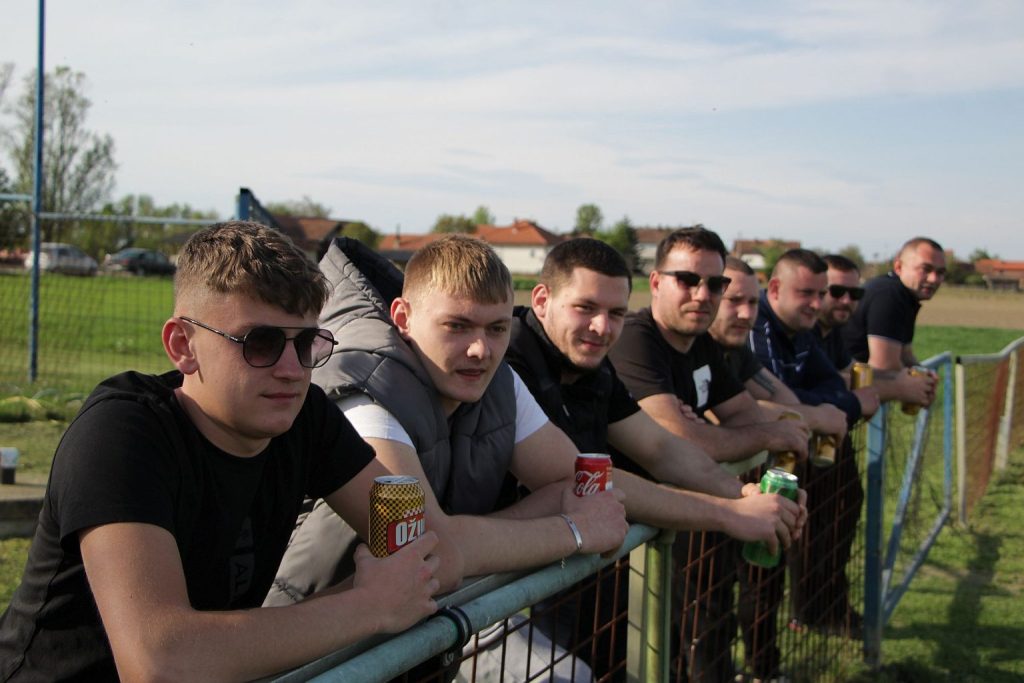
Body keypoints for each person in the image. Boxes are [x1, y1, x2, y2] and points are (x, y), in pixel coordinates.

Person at [271, 235, 805, 677]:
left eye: (497, 328)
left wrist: (733, 507)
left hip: (419, 627)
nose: (481, 349)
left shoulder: (498, 381)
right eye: (457, 326)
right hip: (309, 648)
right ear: (403, 318)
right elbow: (428, 549)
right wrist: (572, 530)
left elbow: (583, 482)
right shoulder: (363, 392)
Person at [0, 222, 442, 682]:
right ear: (182, 346)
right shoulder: (121, 434)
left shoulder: (302, 415)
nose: (292, 370)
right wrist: (366, 607)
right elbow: (159, 663)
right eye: (261, 343)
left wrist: (388, 587)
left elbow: (419, 545)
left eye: (306, 343)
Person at [505, 238, 794, 678]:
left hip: (569, 564)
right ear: (542, 300)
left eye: (616, 313)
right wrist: (730, 514)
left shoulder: (592, 365)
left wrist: (742, 495)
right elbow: (583, 478)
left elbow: (660, 448)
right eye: (585, 308)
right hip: (490, 590)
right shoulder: (512, 360)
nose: (602, 327)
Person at [608, 227, 809, 682]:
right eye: (687, 280)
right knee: (639, 653)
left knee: (699, 629)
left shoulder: (700, 343)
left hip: (685, 516)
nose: (703, 295)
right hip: (626, 541)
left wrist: (711, 431)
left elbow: (743, 414)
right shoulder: (636, 339)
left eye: (715, 283)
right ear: (656, 282)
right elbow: (680, 440)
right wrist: (726, 433)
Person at [750, 249, 877, 639]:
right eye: (808, 293)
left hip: (788, 455)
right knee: (751, 570)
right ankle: (758, 658)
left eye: (821, 294)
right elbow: (773, 402)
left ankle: (798, 626)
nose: (817, 304)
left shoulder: (801, 329)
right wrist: (831, 408)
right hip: (754, 466)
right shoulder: (759, 329)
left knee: (799, 538)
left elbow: (833, 385)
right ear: (774, 289)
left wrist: (818, 406)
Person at [709, 256, 850, 439]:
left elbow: (782, 399)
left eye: (753, 302)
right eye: (734, 300)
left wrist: (810, 414)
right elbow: (735, 416)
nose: (746, 314)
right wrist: (818, 417)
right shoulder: (697, 348)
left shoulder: (737, 349)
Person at [841, 237, 945, 408]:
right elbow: (884, 365)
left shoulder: (903, 295)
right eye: (925, 269)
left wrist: (924, 377)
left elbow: (906, 353)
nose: (934, 279)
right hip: (841, 397)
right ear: (899, 267)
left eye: (940, 272)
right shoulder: (890, 295)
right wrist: (915, 385)